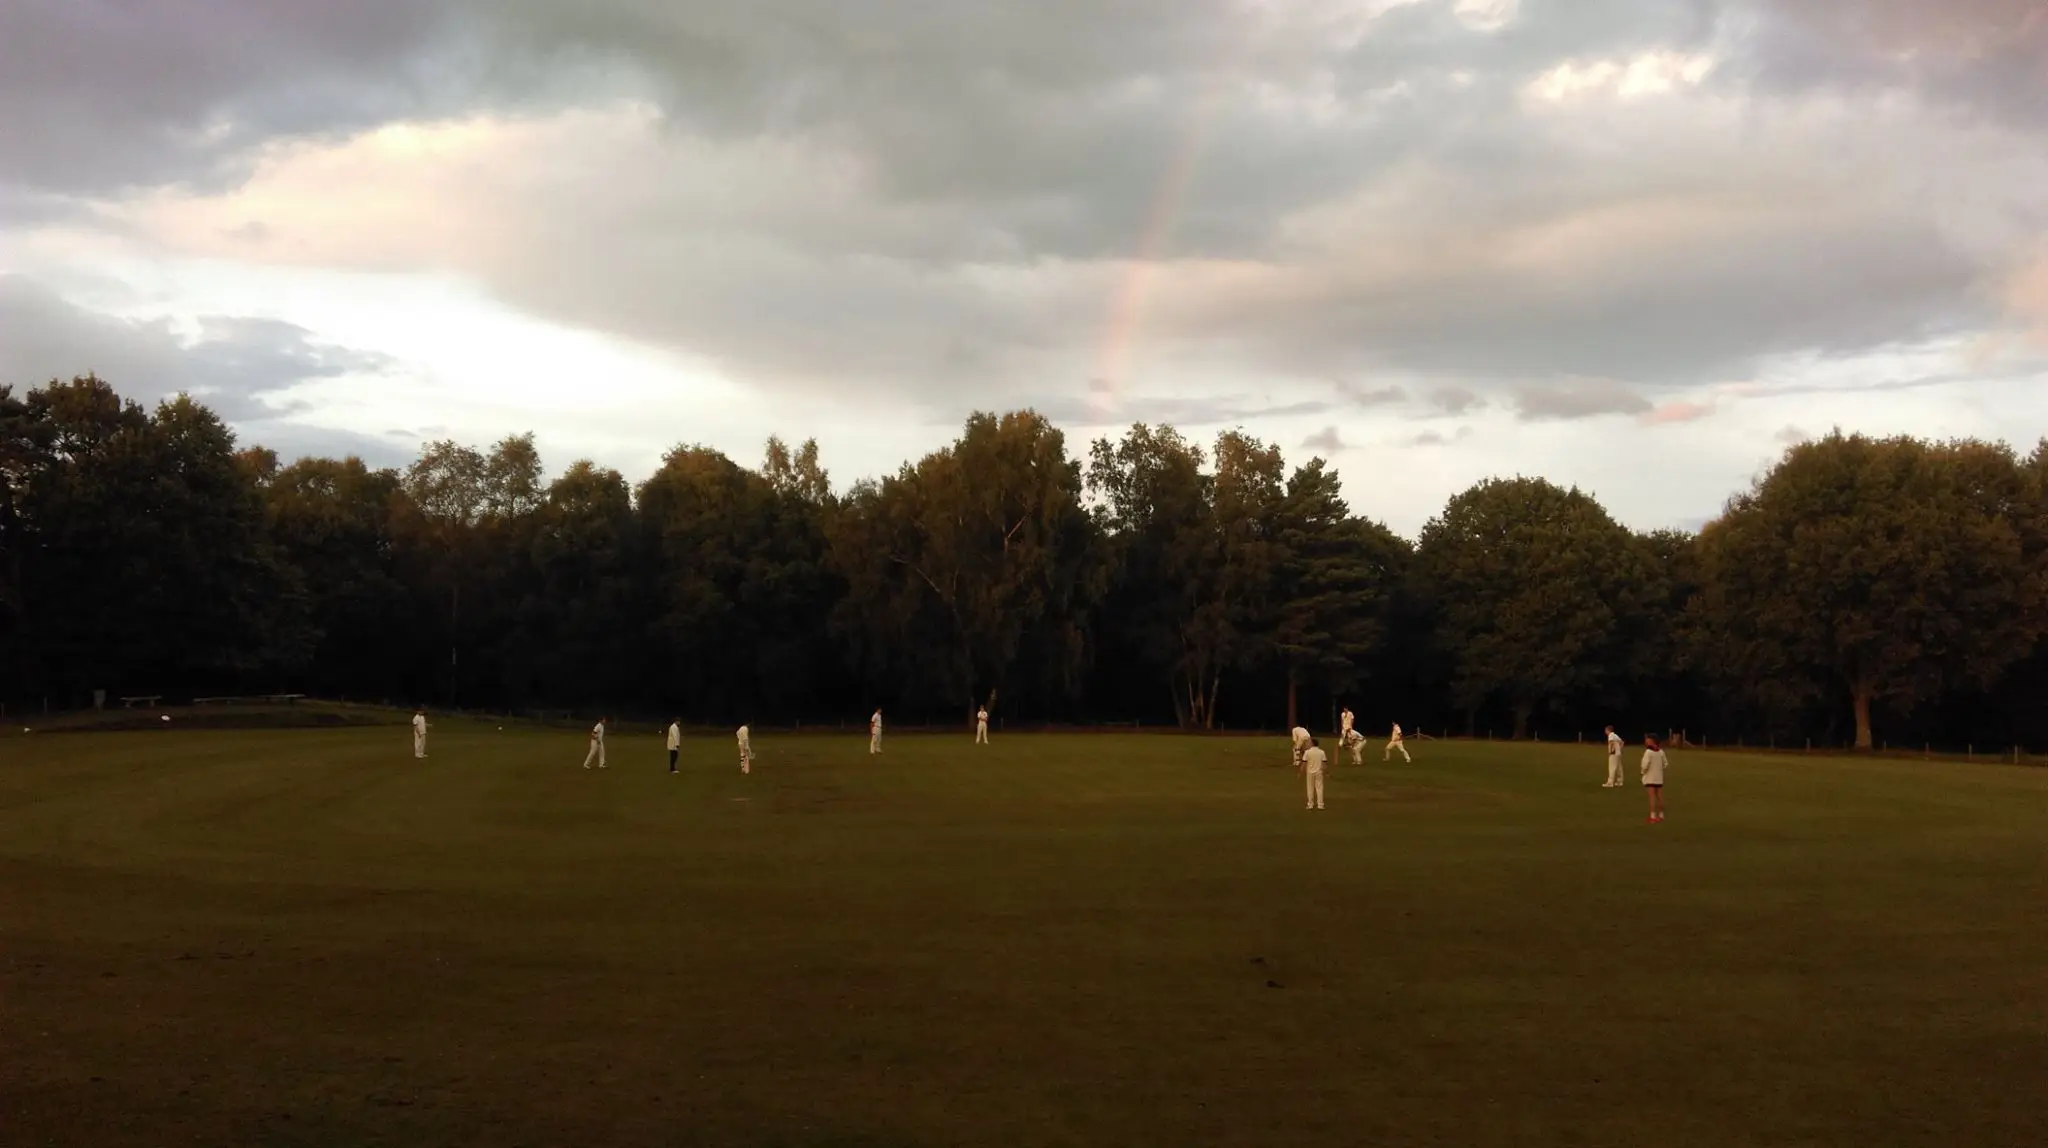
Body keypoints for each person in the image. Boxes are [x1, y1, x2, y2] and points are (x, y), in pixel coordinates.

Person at [1641, 736, 1669, 822]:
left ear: (1653, 742)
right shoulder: (1661, 752)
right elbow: (1665, 763)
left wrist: (1643, 772)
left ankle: (1652, 816)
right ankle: (1661, 815)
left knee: (1652, 797)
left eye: (1648, 741)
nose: (1646, 742)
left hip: (1650, 778)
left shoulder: (1648, 752)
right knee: (1659, 797)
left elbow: (1644, 765)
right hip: (1659, 778)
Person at [1301, 735, 1328, 810]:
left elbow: (1304, 763)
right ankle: (1320, 805)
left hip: (1310, 773)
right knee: (1319, 788)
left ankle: (1310, 804)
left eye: (1309, 743)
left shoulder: (1307, 752)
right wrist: (1326, 772)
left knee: (1310, 788)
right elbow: (1324, 764)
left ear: (1312, 743)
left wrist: (1300, 772)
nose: (1308, 744)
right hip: (1319, 772)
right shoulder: (1322, 752)